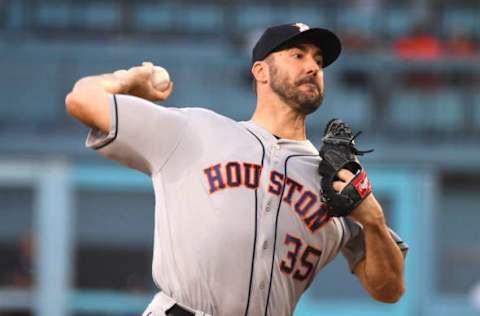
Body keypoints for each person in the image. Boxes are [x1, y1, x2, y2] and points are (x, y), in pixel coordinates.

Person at [65, 22, 408, 316]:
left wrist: (373, 221)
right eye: (297, 55)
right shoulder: (195, 130)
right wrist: (129, 80)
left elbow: (389, 289)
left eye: (319, 61)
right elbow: (82, 100)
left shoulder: (334, 183)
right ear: (260, 71)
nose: (313, 67)